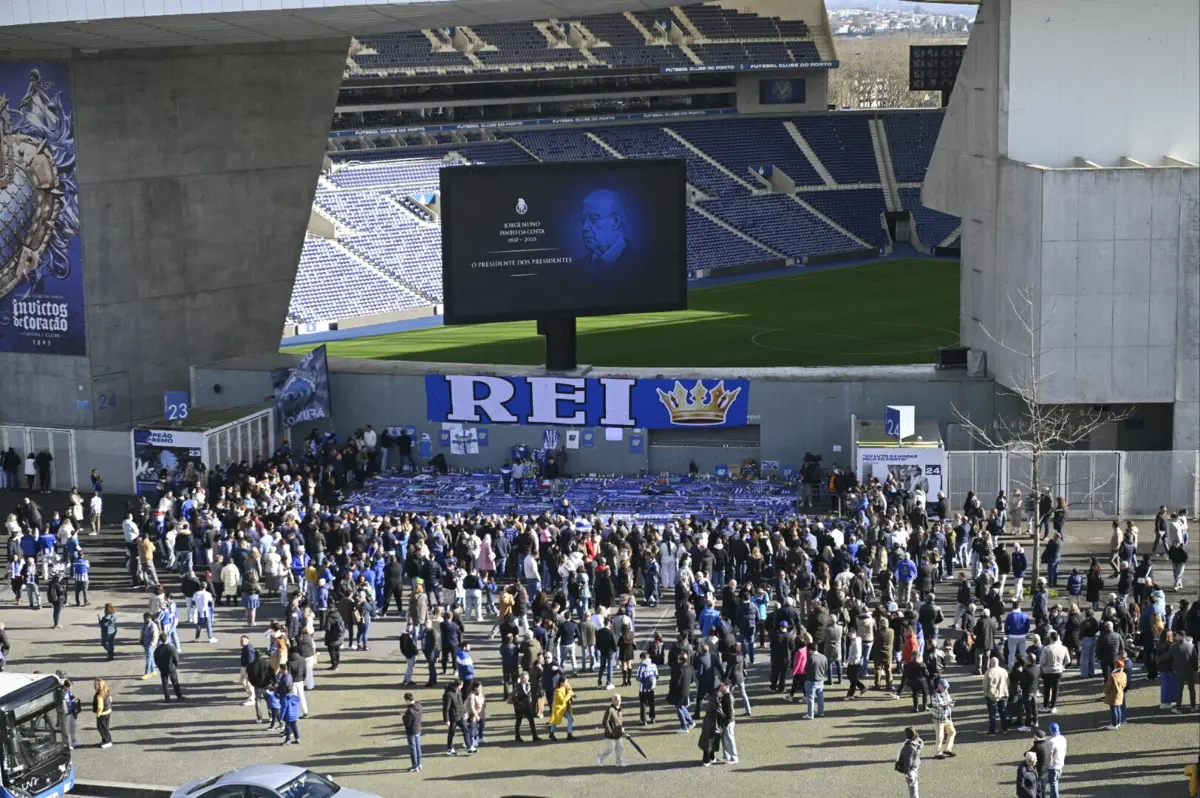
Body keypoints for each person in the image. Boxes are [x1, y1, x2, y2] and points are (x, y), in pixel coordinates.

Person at [596, 694, 627, 768]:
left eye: (619, 699)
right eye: (615, 699)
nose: (617, 701)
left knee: (620, 747)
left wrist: (622, 729)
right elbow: (604, 722)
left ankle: (619, 762)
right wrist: (610, 732)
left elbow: (620, 721)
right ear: (612, 701)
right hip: (611, 735)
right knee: (610, 748)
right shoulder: (609, 709)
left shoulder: (620, 709)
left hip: (618, 733)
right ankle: (600, 757)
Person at [929, 679, 956, 759]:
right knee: (940, 737)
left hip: (947, 717)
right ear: (940, 686)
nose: (946, 689)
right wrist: (946, 705)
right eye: (944, 687)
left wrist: (951, 703)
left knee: (952, 732)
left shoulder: (946, 691)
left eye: (947, 687)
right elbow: (937, 706)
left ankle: (947, 749)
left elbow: (949, 700)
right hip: (939, 719)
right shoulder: (935, 694)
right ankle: (938, 753)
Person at [983, 656, 1009, 734]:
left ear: (991, 663)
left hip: (992, 695)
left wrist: (985, 693)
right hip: (1003, 694)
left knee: (992, 713)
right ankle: (1004, 728)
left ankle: (992, 730)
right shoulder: (1004, 671)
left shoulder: (989, 672)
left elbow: (985, 685)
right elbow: (1008, 682)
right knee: (1003, 712)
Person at [896, 726, 922, 798]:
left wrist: (906, 771)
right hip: (915, 765)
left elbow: (908, 760)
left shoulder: (909, 746)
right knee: (914, 783)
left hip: (910, 769)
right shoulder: (918, 741)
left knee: (912, 787)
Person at [154, 636, 183, 701]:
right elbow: (176, 658)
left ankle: (167, 698)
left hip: (162, 668)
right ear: (167, 638)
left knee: (165, 683)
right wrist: (175, 665)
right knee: (175, 682)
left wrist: (159, 666)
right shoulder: (171, 647)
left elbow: (156, 659)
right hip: (171, 667)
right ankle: (179, 696)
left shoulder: (158, 649)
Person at [548, 675, 576, 741]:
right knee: (555, 722)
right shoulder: (557, 691)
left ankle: (569, 734)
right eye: (565, 682)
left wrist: (572, 694)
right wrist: (569, 694)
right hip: (558, 709)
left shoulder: (565, 686)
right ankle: (552, 733)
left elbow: (569, 689)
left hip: (564, 708)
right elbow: (563, 700)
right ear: (561, 683)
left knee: (570, 719)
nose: (567, 683)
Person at [1103, 657, 1128, 730]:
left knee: (1113, 709)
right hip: (1120, 693)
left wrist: (1105, 692)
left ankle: (1114, 724)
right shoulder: (1124, 674)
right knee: (1118, 709)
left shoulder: (1113, 676)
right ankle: (1118, 722)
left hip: (1113, 695)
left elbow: (1108, 687)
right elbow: (1124, 684)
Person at [1046, 722, 1067, 798]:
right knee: (1055, 782)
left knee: (1053, 784)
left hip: (1053, 767)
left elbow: (1049, 755)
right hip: (1060, 764)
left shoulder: (1051, 742)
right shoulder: (1063, 738)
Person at [403, 692, 423, 773]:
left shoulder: (409, 711)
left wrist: (403, 717)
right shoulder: (419, 706)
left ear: (408, 700)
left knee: (413, 749)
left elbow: (407, 723)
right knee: (418, 747)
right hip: (418, 728)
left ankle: (415, 766)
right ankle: (419, 764)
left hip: (411, 731)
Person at [92, 679, 113, 748]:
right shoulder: (106, 690)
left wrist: (98, 714)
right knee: (105, 727)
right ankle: (104, 740)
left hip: (102, 713)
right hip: (108, 711)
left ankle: (108, 741)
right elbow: (110, 699)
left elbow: (100, 707)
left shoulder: (99, 695)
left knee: (101, 728)